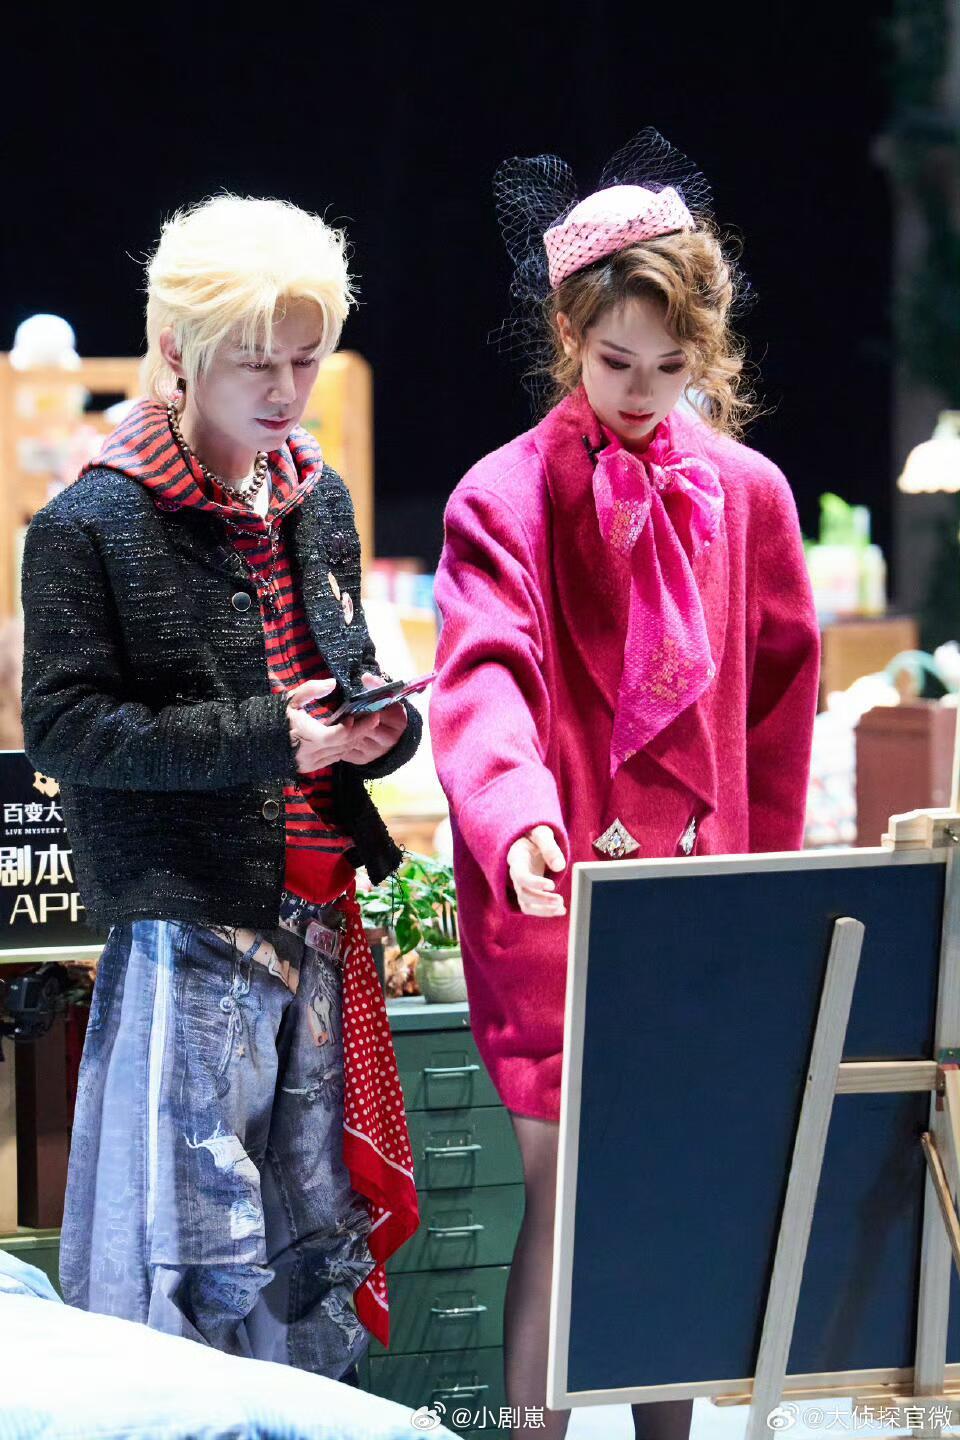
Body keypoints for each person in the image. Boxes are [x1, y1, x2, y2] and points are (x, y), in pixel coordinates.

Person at [430, 131, 820, 1438]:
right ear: (567, 338)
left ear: (706, 353)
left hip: (701, 900)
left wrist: (764, 891)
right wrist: (513, 815)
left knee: (673, 1196)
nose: (643, 391)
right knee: (563, 1196)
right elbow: (486, 674)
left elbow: (779, 714)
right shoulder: (505, 495)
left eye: (669, 366)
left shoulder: (751, 496)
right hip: (554, 894)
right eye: (615, 363)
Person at [20, 195, 421, 1378]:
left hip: (320, 913)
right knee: (185, 1243)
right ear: (179, 349)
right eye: (257, 361)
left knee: (314, 1232)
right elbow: (65, 728)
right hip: (190, 919)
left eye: (306, 357)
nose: (287, 388)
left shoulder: (314, 498)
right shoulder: (93, 521)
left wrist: (382, 731)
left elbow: (345, 675)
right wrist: (267, 737)